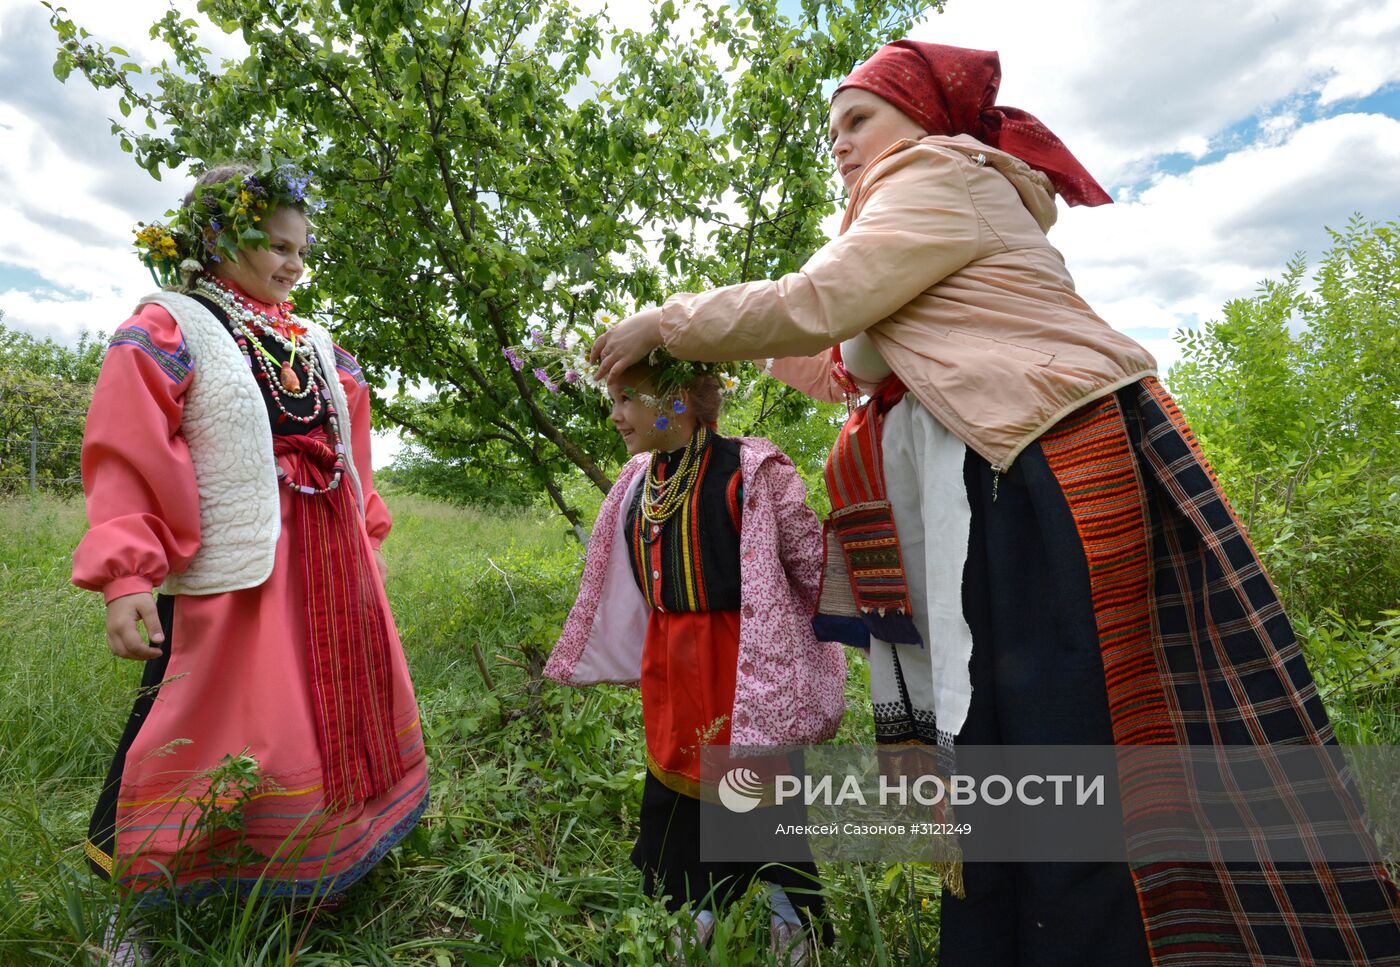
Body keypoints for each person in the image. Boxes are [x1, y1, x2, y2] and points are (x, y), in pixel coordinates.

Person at [590, 40, 1400, 967]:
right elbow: (839, 360)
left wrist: (670, 320)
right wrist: (718, 354)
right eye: (833, 133)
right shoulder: (909, 238)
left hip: (1044, 474)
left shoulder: (942, 174)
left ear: (923, 117)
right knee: (993, 744)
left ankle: (1082, 939)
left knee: (1057, 738)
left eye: (858, 120)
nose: (842, 146)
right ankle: (1014, 938)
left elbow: (816, 303)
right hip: (1000, 486)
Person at [74, 163, 427, 959]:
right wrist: (128, 573)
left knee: (322, 711)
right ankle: (142, 905)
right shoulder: (173, 325)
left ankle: (316, 868)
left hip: (332, 570)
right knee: (194, 720)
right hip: (239, 576)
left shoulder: (314, 343)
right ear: (217, 237)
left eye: (302, 248)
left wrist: (366, 547)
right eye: (276, 245)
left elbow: (353, 453)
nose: (294, 263)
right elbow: (128, 449)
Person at [543, 364, 845, 963]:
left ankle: (791, 915)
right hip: (671, 661)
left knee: (754, 786)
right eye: (614, 400)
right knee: (678, 788)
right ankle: (697, 906)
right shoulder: (639, 479)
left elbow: (809, 558)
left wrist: (854, 623)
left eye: (627, 398)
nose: (615, 414)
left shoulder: (749, 470)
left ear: (676, 399)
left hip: (744, 659)